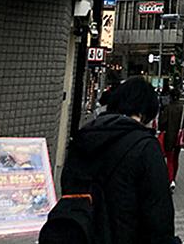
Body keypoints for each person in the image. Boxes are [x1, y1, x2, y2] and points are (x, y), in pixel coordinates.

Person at [59, 76, 176, 244]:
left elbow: (68, 184)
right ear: (144, 113)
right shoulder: (145, 146)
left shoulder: (85, 136)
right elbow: (158, 211)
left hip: (79, 232)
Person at [159, 88, 184, 191]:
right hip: (179, 137)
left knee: (169, 158)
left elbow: (162, 123)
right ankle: (173, 177)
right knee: (175, 158)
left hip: (168, 136)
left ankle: (170, 179)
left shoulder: (167, 108)